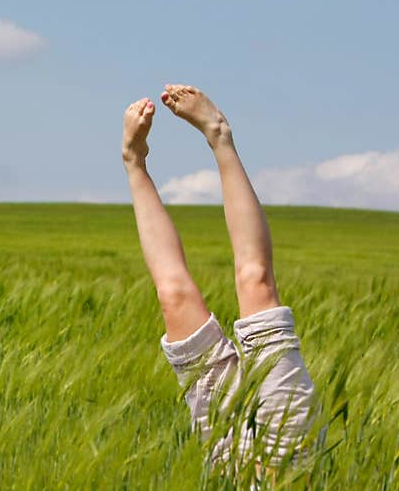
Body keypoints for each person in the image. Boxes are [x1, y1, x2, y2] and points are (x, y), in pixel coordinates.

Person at [121, 84, 316, 469]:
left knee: (174, 295)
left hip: (228, 461)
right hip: (286, 452)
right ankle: (194, 143)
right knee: (255, 281)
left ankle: (161, 152)